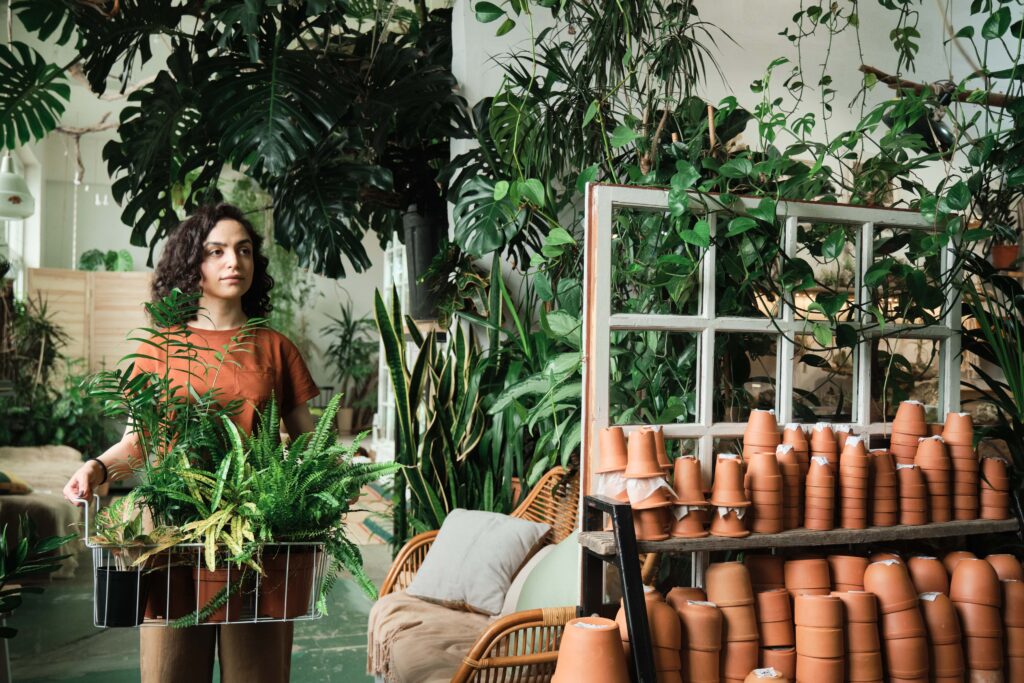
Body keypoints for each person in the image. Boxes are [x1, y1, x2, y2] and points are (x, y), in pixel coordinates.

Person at [62, 203, 320, 683]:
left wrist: (307, 492)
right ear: (191, 263)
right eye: (216, 251)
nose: (233, 263)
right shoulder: (159, 347)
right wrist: (96, 468)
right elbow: (138, 443)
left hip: (257, 538)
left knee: (258, 675)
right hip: (171, 536)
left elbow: (310, 443)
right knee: (170, 671)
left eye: (243, 251)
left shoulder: (275, 347)